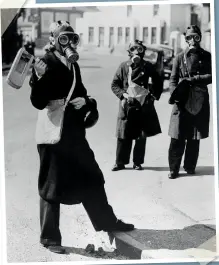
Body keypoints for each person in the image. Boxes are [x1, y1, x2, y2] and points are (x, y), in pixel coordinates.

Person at [29, 20, 134, 254]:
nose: (68, 43)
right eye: (63, 38)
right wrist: (39, 78)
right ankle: (49, 238)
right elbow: (37, 101)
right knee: (51, 185)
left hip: (74, 134)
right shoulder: (45, 62)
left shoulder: (73, 65)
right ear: (54, 41)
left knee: (92, 177)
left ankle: (107, 222)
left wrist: (87, 102)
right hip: (54, 134)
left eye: (72, 38)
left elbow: (82, 92)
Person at [168, 25, 212, 179]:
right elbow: (172, 79)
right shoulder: (179, 57)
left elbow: (212, 76)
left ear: (200, 38)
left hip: (199, 99)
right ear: (185, 40)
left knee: (194, 135)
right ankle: (173, 169)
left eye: (196, 37)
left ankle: (190, 166)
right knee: (177, 135)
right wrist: (175, 93)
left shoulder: (207, 56)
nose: (192, 40)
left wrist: (194, 79)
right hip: (182, 100)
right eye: (189, 37)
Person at [111, 40, 163, 171]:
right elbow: (114, 85)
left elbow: (158, 81)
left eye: (139, 49)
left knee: (140, 134)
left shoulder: (148, 67)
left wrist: (153, 96)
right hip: (126, 103)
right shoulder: (123, 66)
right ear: (129, 52)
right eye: (133, 49)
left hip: (143, 104)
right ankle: (120, 162)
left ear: (143, 51)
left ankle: (137, 162)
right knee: (123, 133)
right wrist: (123, 95)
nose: (136, 52)